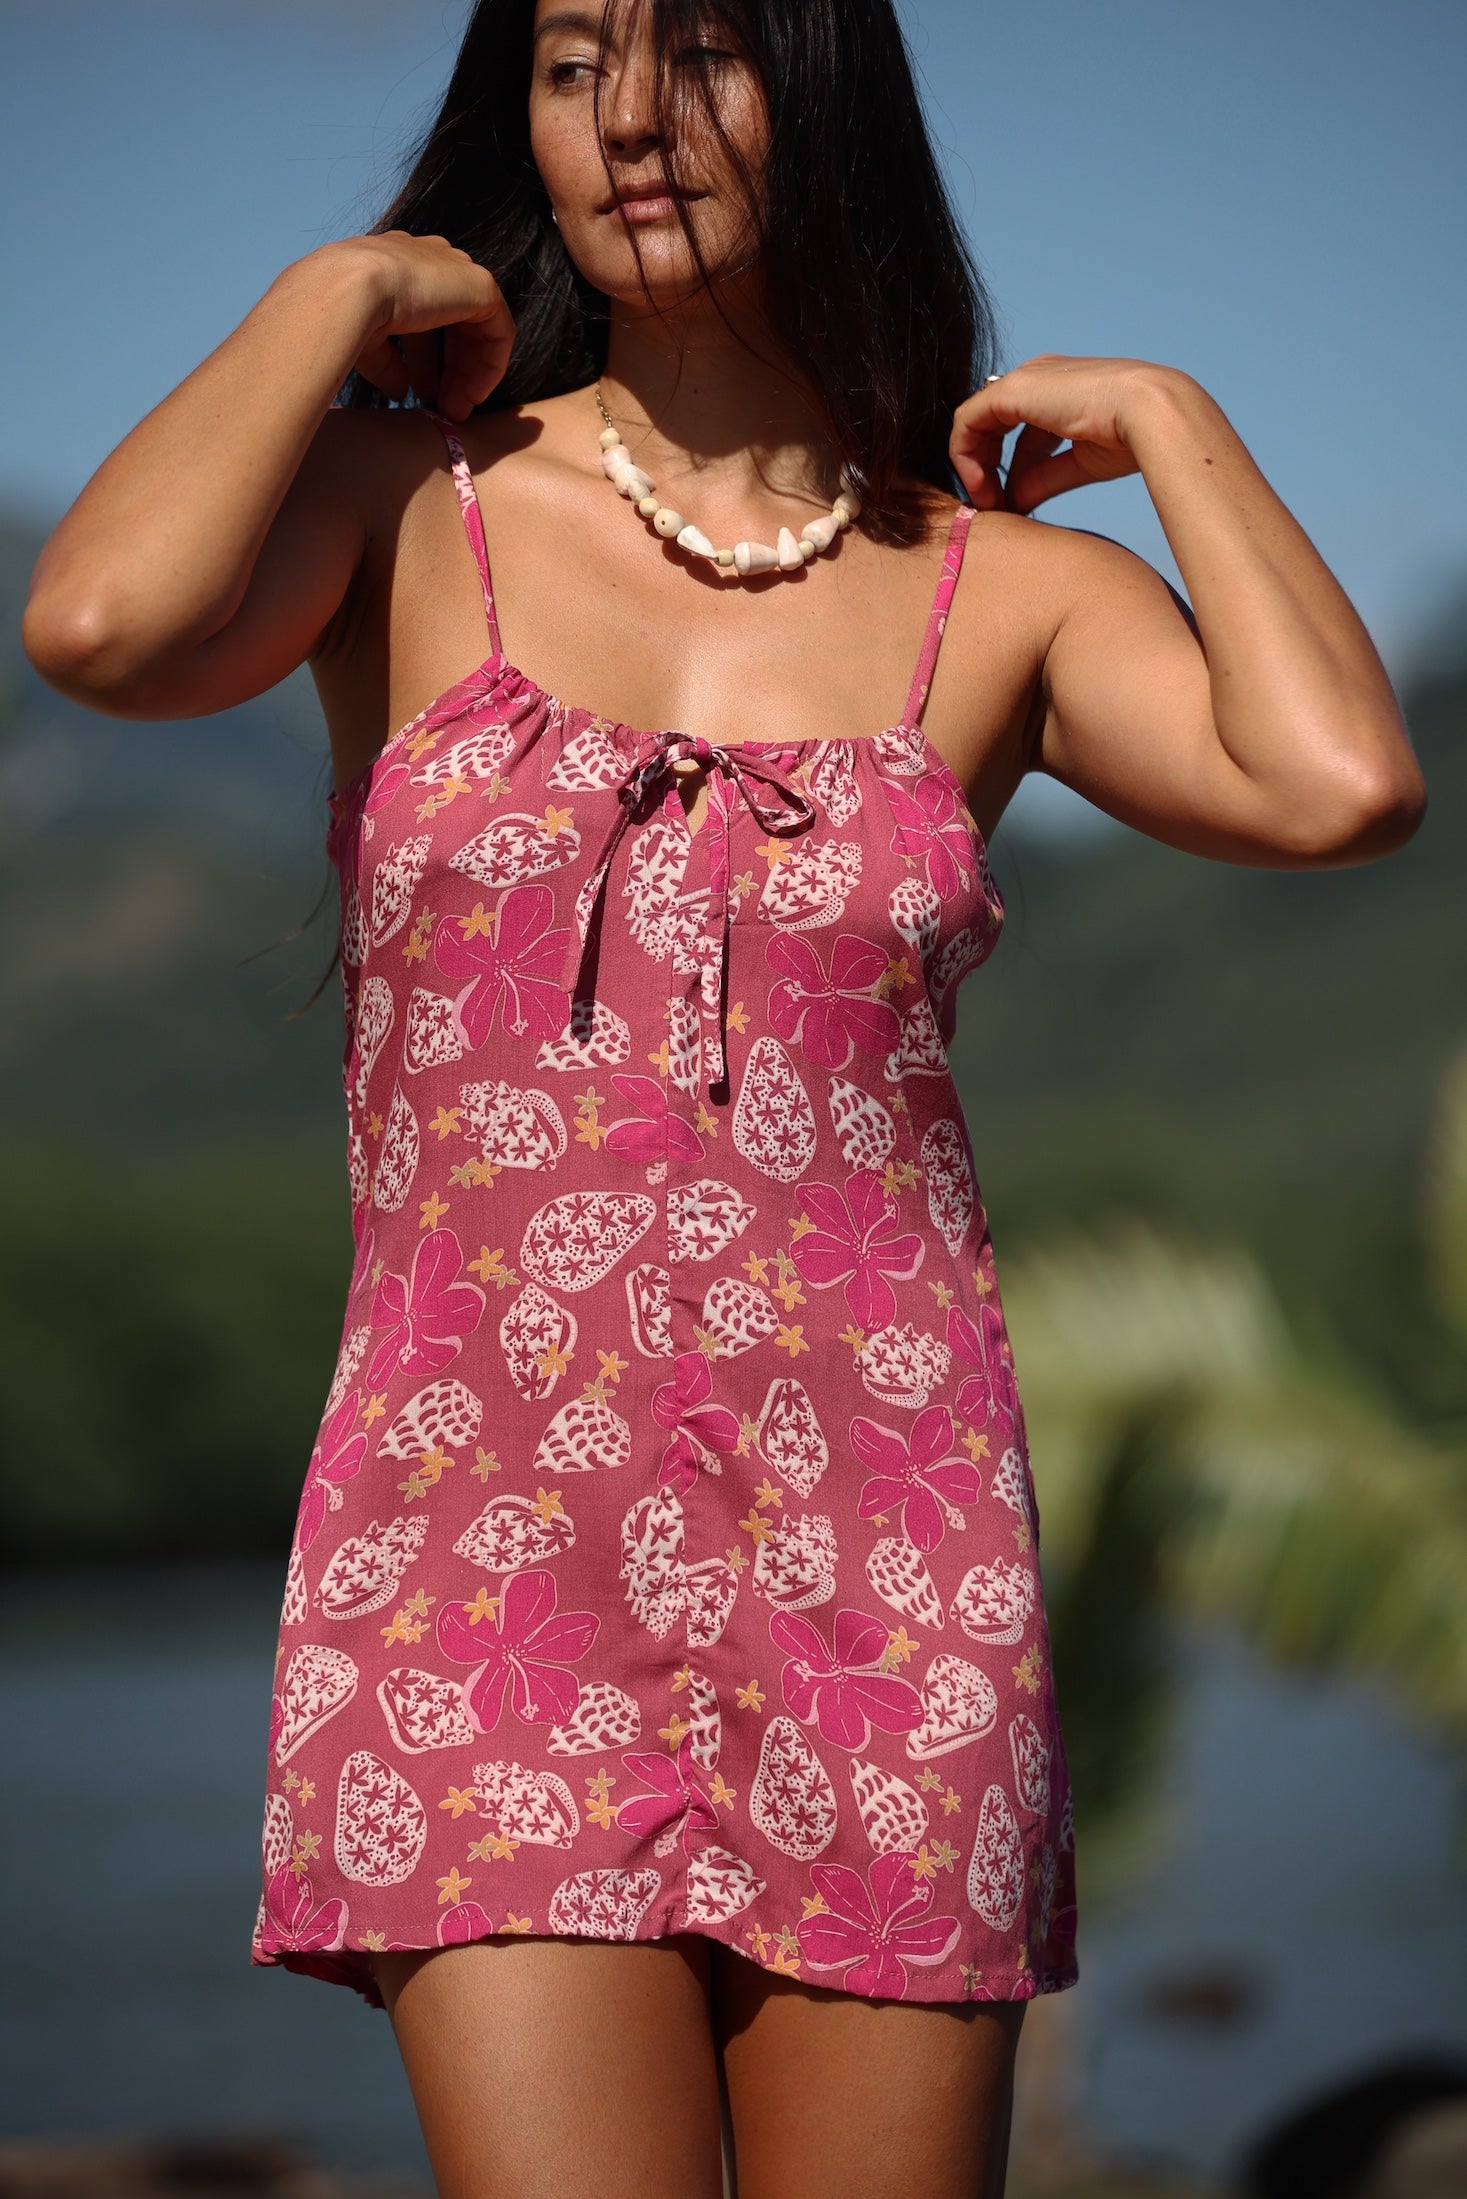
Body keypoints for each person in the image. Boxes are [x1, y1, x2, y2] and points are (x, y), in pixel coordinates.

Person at [21, 2, 1426, 2193]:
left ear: (826, 93)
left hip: (887, 1567)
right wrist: (326, 294)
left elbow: (1337, 786)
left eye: (700, 56)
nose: (631, 123)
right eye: (572, 66)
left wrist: (1177, 422)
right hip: (476, 1560)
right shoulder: (407, 509)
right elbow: (101, 628)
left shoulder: (1002, 592)